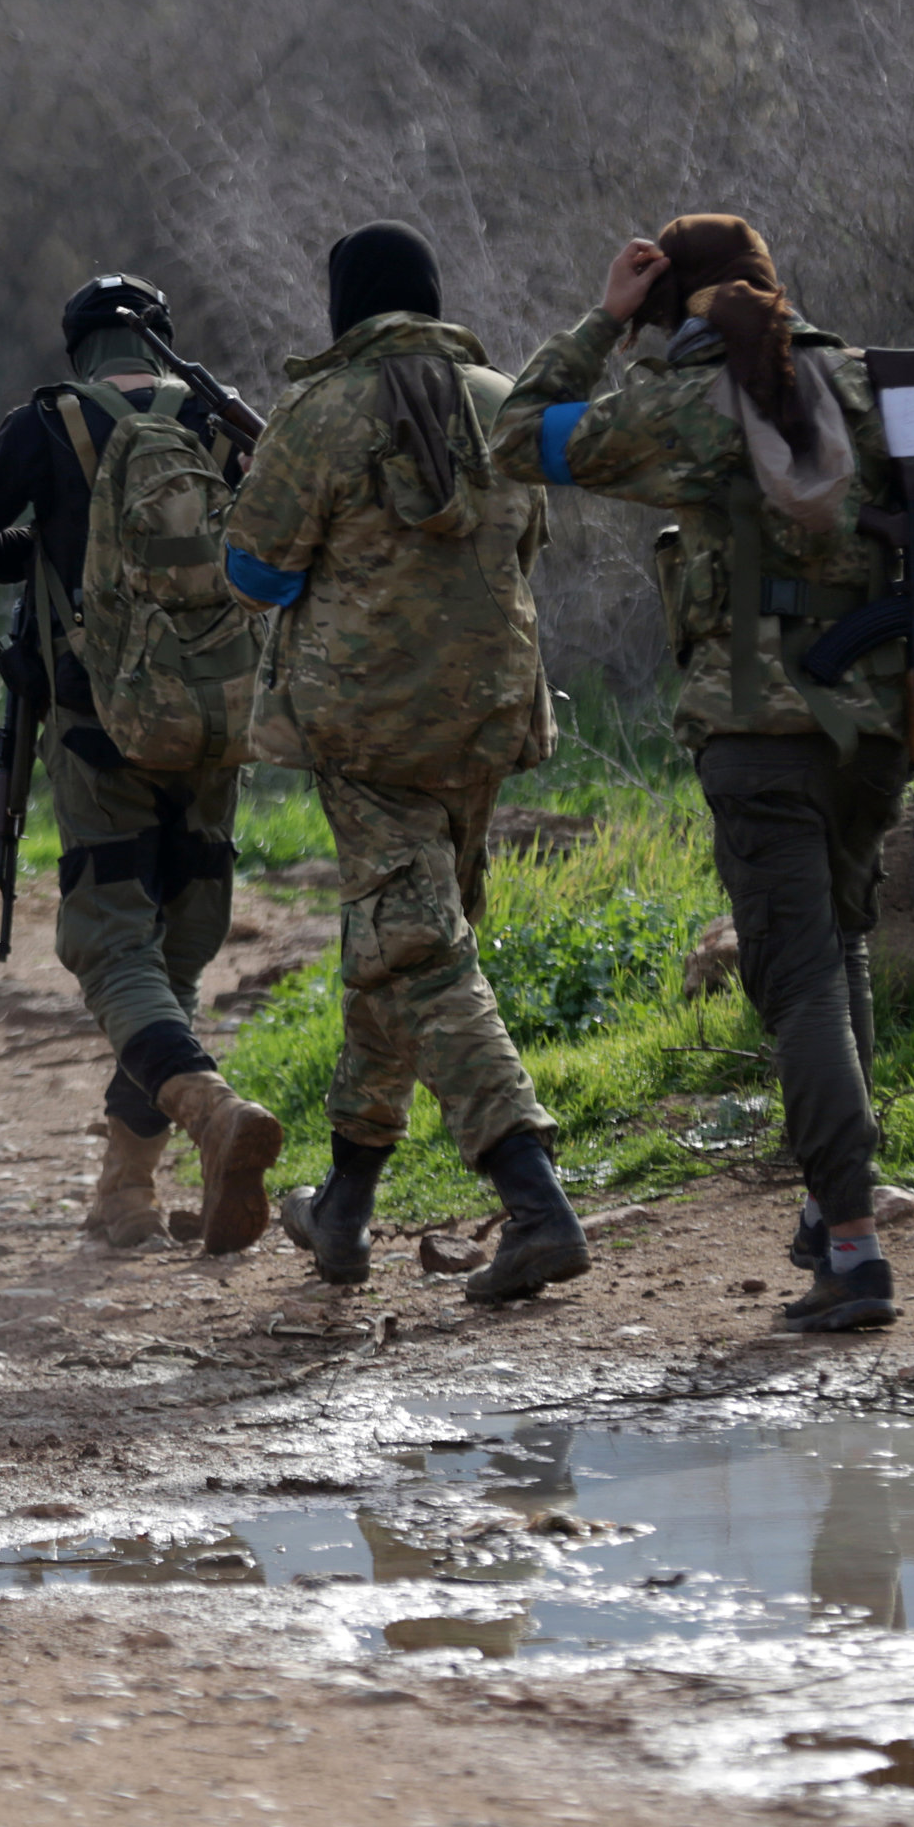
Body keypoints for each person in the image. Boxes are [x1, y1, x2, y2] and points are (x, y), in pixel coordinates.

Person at [491, 216, 914, 1333]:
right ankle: (833, 1209)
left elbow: (511, 436)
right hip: (872, 729)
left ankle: (851, 1245)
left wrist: (599, 324)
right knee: (835, 951)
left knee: (794, 982)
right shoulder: (880, 395)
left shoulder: (674, 409)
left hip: (753, 735)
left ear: (667, 301)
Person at [224, 221, 587, 1308]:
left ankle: (533, 1201)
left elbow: (250, 571)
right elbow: (527, 549)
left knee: (418, 954)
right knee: (394, 945)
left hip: (367, 734)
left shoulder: (317, 412)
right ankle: (342, 1205)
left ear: (343, 307)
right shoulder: (499, 397)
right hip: (484, 720)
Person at [0, 276, 285, 1254]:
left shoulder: (47, 423)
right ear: (158, 341)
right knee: (175, 954)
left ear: (76, 345)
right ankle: (124, 1190)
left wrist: (50, 551)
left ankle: (210, 1114)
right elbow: (273, 557)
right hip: (214, 727)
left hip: (97, 728)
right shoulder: (222, 427)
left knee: (113, 951)